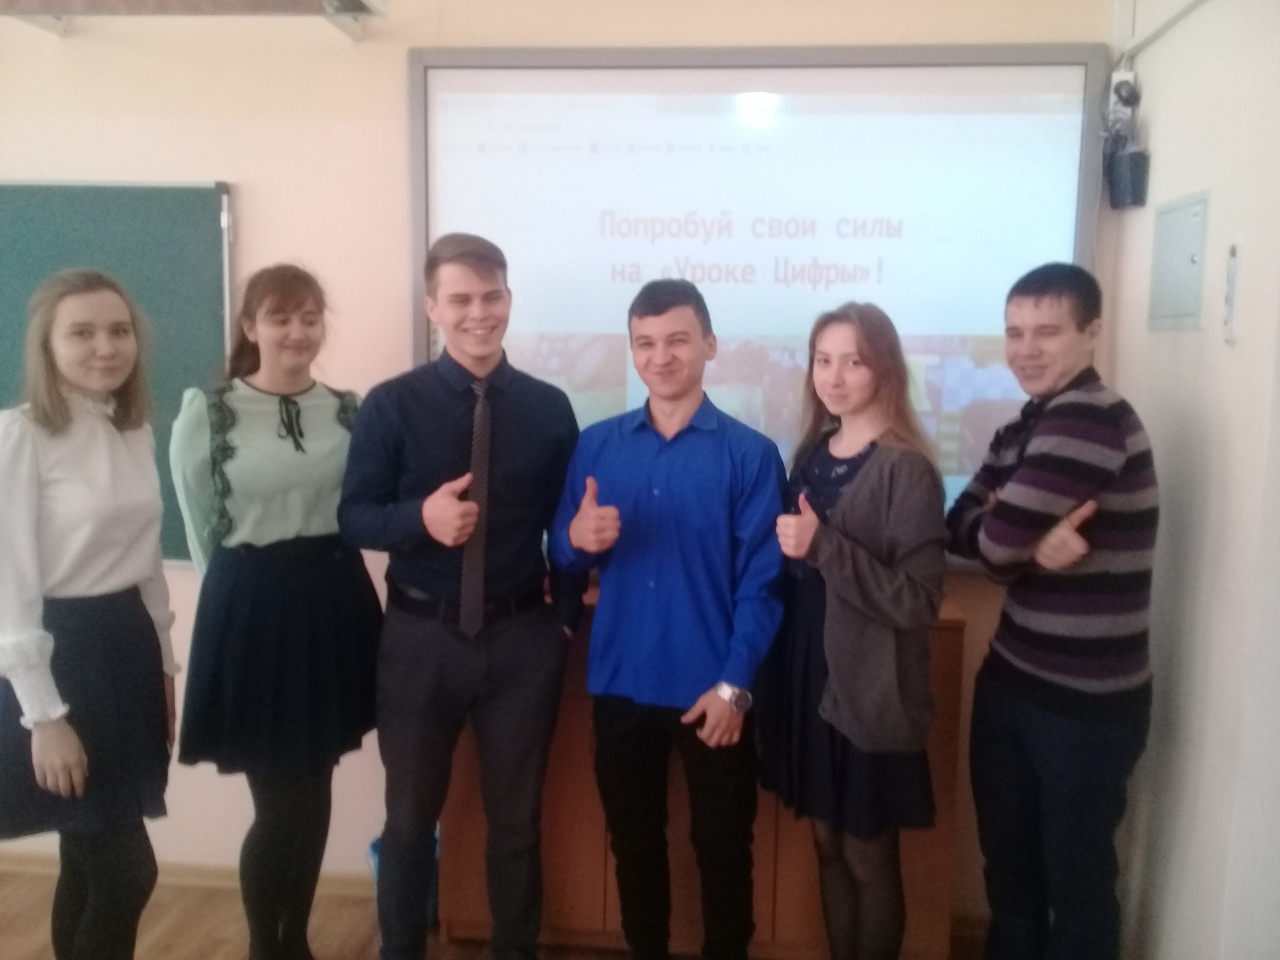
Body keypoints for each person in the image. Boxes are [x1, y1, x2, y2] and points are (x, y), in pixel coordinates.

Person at [339, 233, 583, 960]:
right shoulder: (390, 405)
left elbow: (569, 520)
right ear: (433, 308)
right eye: (461, 299)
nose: (479, 313)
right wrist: (422, 518)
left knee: (517, 822)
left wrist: (564, 620)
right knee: (410, 820)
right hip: (420, 639)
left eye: (491, 296)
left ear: (509, 299)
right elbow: (354, 517)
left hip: (522, 640)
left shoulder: (549, 408)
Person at [550, 279, 785, 960]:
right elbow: (562, 554)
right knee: (633, 842)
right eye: (645, 343)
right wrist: (575, 540)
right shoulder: (597, 447)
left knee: (723, 847)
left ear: (709, 344)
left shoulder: (751, 454)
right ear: (631, 352)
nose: (661, 356)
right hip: (620, 683)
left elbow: (764, 586)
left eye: (678, 340)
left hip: (714, 690)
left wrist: (735, 686)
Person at [945, 263, 1158, 960]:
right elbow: (958, 525)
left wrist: (1011, 540)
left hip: (1084, 709)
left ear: (1092, 333)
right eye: (1014, 332)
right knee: (1012, 878)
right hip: (1013, 681)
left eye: (1047, 332)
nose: (1026, 349)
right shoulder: (1022, 427)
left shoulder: (1088, 417)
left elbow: (992, 542)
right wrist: (1028, 546)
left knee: (1077, 888)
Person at [170, 264, 382, 960]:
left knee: (315, 787)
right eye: (280, 317)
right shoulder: (210, 412)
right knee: (278, 802)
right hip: (253, 607)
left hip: (333, 599)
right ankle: (266, 945)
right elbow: (199, 525)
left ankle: (297, 939)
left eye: (309, 317)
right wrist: (235, 608)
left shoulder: (350, 409)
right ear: (250, 326)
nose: (297, 331)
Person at [757, 304, 947, 960]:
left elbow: (918, 600)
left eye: (854, 361)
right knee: (827, 844)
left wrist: (824, 548)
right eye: (823, 360)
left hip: (870, 684)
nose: (834, 377)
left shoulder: (907, 469)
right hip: (806, 669)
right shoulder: (812, 453)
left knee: (868, 851)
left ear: (885, 368)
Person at [0, 269, 178, 960]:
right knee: (128, 871)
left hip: (127, 647)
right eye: (82, 332)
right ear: (47, 346)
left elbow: (147, 566)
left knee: (86, 856)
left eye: (119, 330)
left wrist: (164, 671)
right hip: (62, 657)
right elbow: (10, 586)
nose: (106, 347)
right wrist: (44, 717)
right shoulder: (21, 436)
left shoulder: (131, 430)